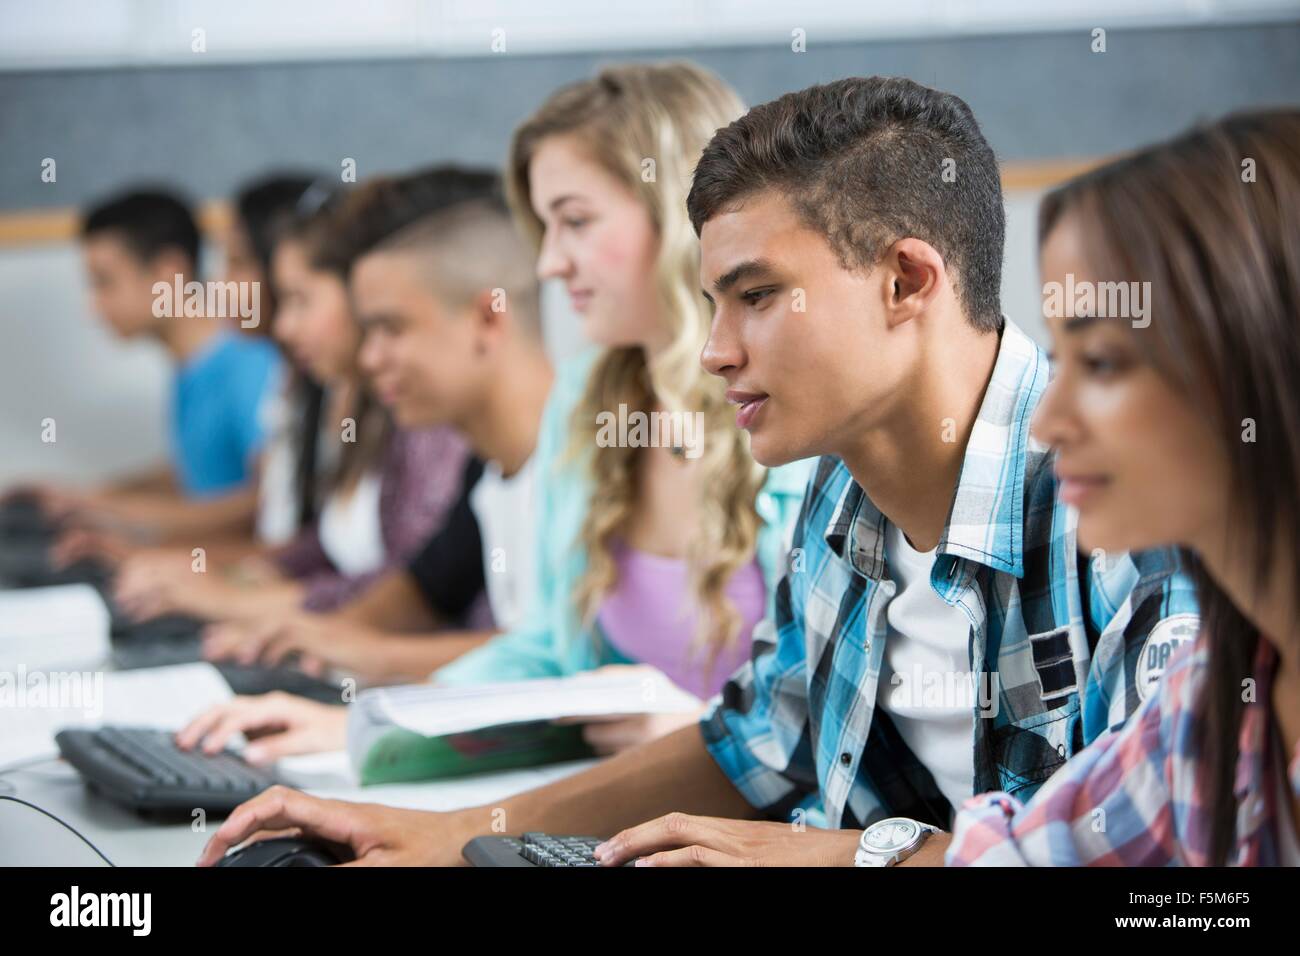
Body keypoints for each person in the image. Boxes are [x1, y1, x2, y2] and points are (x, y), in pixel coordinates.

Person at [197, 74, 1200, 868]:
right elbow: (757, 742)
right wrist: (458, 829)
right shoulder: (841, 489)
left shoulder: (1127, 509)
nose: (717, 349)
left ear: (905, 280)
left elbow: (1163, 872)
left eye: (756, 296)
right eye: (712, 302)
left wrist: (843, 856)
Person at [182, 62, 814, 768]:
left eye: (574, 222)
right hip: (617, 809)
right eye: (544, 228)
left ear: (679, 212)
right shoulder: (587, 404)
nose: (547, 264)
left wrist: (699, 731)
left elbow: (853, 728)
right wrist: (368, 728)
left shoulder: (802, 418)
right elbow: (544, 652)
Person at [947, 109, 1300, 867]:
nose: (1048, 421)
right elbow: (1032, 855)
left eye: (1102, 363)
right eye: (1058, 357)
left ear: (1264, 355)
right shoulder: (1217, 696)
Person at [111, 188, 472, 622]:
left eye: (300, 300)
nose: (224, 286)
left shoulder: (421, 420)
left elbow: (413, 587)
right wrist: (236, 577)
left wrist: (239, 598)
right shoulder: (345, 401)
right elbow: (320, 546)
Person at [15, 189, 281, 542]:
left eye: (104, 282)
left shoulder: (248, 361)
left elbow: (266, 502)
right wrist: (92, 497)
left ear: (169, 271)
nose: (93, 307)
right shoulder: (193, 365)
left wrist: (113, 514)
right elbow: (203, 472)